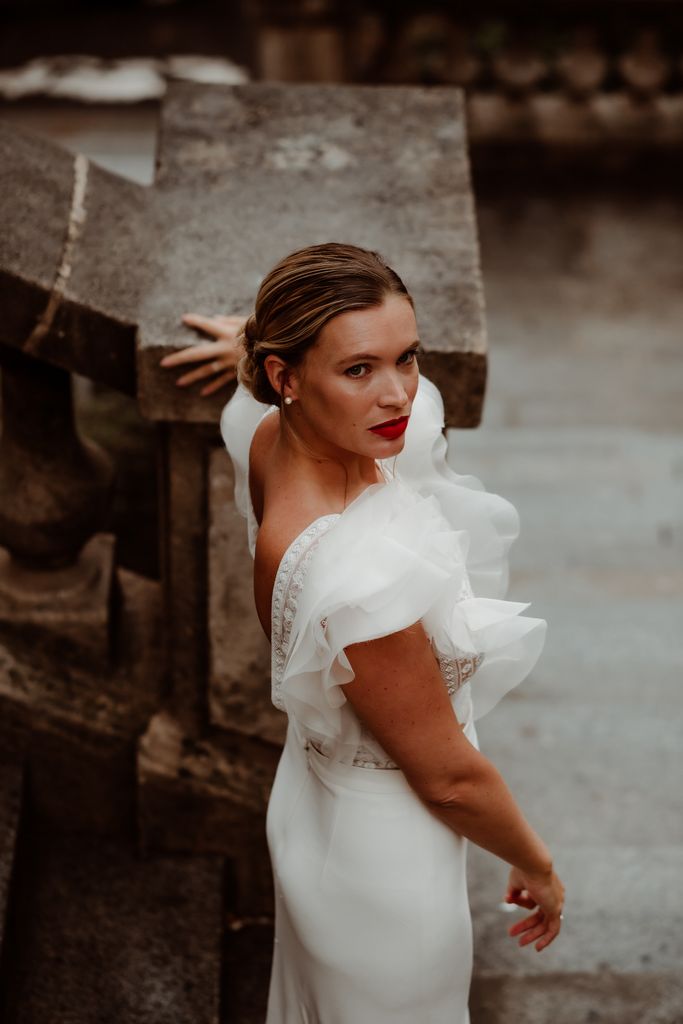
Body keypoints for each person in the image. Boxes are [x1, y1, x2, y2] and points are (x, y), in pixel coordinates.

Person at [161, 242, 565, 1023]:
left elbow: (310, 378)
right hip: (386, 868)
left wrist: (255, 336)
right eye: (357, 370)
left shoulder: (266, 426)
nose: (397, 394)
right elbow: (449, 779)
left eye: (405, 357)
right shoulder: (360, 579)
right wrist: (534, 862)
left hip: (315, 800)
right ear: (287, 377)